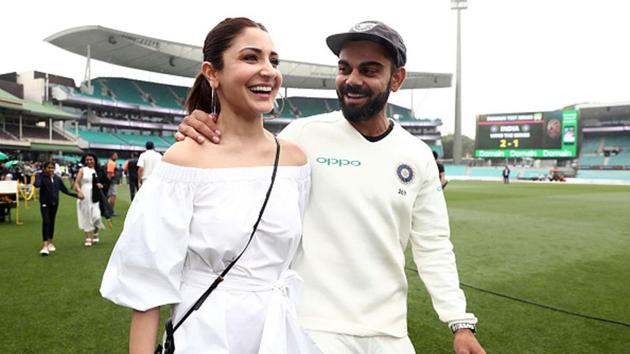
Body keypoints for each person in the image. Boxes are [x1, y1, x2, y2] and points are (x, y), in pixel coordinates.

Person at [177, 20, 485, 354]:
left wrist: (460, 322)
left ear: (396, 79)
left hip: (389, 332)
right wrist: (204, 123)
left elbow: (434, 245)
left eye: (369, 70)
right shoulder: (302, 137)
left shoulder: (417, 155)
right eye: (344, 68)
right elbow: (241, 165)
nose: (352, 80)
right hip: (312, 327)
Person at [100, 17, 322, 354]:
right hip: (206, 335)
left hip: (281, 335)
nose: (268, 70)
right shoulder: (182, 163)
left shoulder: (295, 161)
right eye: (251, 58)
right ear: (212, 72)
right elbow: (147, 288)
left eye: (273, 60)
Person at [34, 161, 81, 255]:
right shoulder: (41, 176)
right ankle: (45, 245)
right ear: (44, 168)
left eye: (52, 168)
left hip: (55, 203)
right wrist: (38, 176)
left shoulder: (57, 179)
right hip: (45, 203)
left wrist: (77, 195)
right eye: (48, 168)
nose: (51, 170)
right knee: (46, 222)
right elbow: (37, 185)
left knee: (52, 222)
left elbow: (65, 190)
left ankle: (50, 242)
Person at [74, 153, 105, 246]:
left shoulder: (98, 170)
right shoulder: (82, 170)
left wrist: (101, 185)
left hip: (95, 195)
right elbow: (76, 182)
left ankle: (95, 232)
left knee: (97, 216)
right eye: (87, 160)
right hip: (85, 194)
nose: (89, 161)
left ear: (94, 160)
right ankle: (88, 237)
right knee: (86, 215)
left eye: (91, 159)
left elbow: (104, 181)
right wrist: (79, 191)